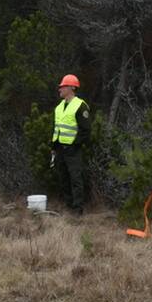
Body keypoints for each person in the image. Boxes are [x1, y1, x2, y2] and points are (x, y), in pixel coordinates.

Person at [51, 74, 91, 214]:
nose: (60, 89)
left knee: (75, 179)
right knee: (63, 178)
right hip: (60, 149)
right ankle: (68, 205)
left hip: (73, 150)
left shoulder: (80, 105)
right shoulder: (59, 107)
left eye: (63, 86)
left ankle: (78, 209)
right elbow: (57, 128)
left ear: (71, 88)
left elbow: (85, 130)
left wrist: (75, 145)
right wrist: (54, 147)